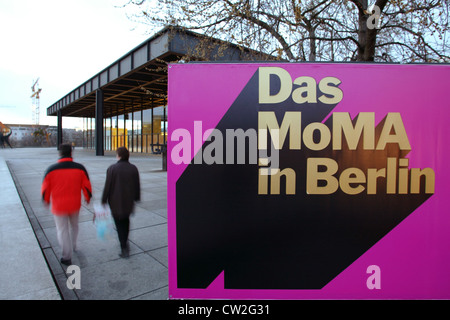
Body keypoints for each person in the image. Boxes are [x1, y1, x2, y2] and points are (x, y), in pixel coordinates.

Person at [41, 144, 92, 265]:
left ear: (59, 153)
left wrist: (46, 200)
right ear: (71, 153)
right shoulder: (80, 168)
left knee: (62, 230)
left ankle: (66, 255)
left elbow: (45, 189)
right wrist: (87, 198)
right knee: (74, 226)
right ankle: (73, 245)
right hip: (74, 205)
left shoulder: (51, 170)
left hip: (59, 206)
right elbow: (87, 186)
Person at [101, 147, 140, 258]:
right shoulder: (133, 168)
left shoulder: (112, 168)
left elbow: (107, 186)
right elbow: (137, 185)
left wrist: (104, 200)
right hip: (128, 201)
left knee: (118, 224)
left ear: (119, 155)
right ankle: (125, 241)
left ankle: (123, 246)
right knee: (126, 221)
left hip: (115, 201)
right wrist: (136, 197)